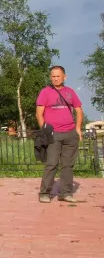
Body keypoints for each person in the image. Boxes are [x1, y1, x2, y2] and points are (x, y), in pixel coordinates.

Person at [36, 65, 83, 203]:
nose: (55, 79)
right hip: (53, 133)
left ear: (64, 77)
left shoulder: (70, 92)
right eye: (53, 76)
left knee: (68, 165)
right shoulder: (45, 92)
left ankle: (66, 193)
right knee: (51, 164)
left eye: (58, 76)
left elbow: (79, 111)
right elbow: (39, 113)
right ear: (50, 77)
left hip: (70, 133)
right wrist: (45, 131)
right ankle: (45, 192)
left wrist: (78, 129)